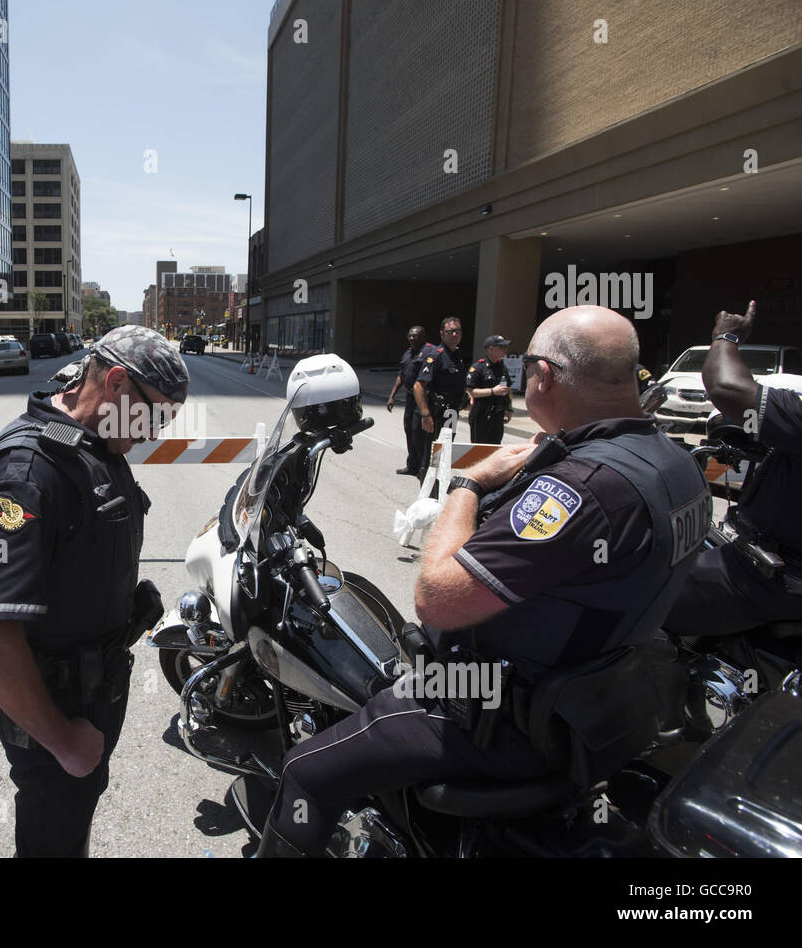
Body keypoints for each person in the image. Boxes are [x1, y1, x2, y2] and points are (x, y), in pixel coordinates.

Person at [257, 305, 709, 856]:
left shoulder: (580, 488)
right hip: (604, 705)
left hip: (497, 716)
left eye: (525, 369)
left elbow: (436, 600)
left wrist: (467, 487)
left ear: (542, 375)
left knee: (306, 770)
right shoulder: (674, 463)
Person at [0, 325, 189, 857]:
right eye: (154, 415)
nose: (155, 432)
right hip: (52, 707)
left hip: (91, 688)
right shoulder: (23, 475)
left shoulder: (92, 440)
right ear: (113, 383)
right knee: (54, 830)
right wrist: (64, 743)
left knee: (74, 811)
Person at [665, 300, 802, 632]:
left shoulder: (792, 419)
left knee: (645, 595)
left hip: (771, 576)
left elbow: (726, 388)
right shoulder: (762, 453)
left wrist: (727, 335)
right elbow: (723, 466)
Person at [412, 317, 468, 482]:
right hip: (436, 415)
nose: (455, 334)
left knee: (445, 454)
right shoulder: (436, 355)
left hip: (451, 414)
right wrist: (425, 415)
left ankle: (440, 490)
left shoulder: (456, 355)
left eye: (458, 331)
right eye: (450, 331)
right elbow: (419, 386)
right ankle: (427, 497)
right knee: (431, 458)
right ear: (442, 334)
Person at [386, 325, 428, 475]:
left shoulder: (429, 353)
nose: (411, 338)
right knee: (409, 430)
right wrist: (392, 396)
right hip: (410, 398)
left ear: (422, 336)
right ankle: (412, 466)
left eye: (415, 335)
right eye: (410, 335)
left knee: (418, 433)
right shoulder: (407, 354)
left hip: (423, 399)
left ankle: (424, 467)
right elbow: (401, 376)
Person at [466, 335, 514, 444]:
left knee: (494, 450)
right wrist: (492, 391)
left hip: (497, 416)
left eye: (505, 347)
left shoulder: (502, 367)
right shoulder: (479, 367)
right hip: (481, 416)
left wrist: (509, 409)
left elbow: (508, 390)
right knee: (479, 451)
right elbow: (471, 392)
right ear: (490, 349)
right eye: (502, 347)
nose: (505, 350)